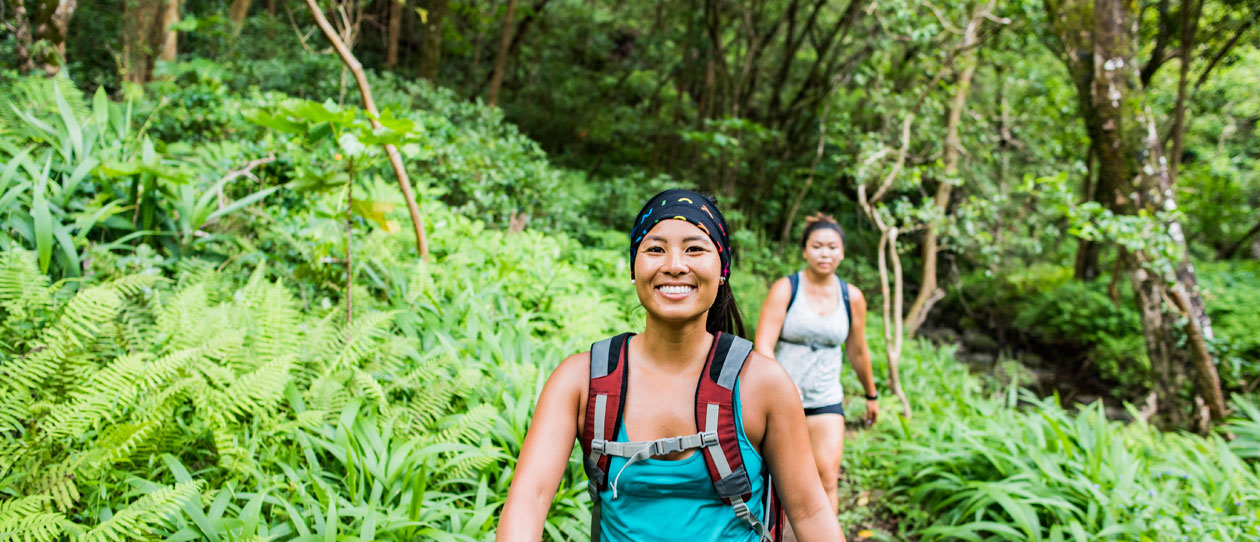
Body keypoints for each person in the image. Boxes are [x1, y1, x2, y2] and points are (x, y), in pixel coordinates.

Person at [498, 190, 844, 542]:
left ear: (722, 269)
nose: (675, 265)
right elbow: (529, 500)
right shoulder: (581, 381)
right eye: (655, 249)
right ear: (634, 268)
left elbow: (810, 512)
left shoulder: (763, 385)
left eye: (695, 249)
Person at [754, 213, 878, 515]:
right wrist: (782, 386)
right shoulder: (786, 288)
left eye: (832, 247)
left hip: (825, 399)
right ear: (805, 250)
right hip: (782, 400)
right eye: (818, 246)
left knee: (826, 478)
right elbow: (764, 344)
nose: (825, 253)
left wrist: (871, 395)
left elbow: (858, 350)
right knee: (774, 479)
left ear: (843, 252)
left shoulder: (852, 297)